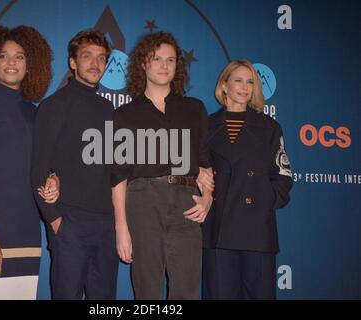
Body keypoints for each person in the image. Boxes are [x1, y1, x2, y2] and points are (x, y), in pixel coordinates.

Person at [111, 32, 213, 300]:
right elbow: (119, 175)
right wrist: (121, 226)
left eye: (170, 60)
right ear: (143, 63)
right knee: (147, 289)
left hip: (186, 201)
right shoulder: (125, 115)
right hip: (143, 200)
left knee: (188, 290)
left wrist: (208, 200)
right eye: (157, 59)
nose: (164, 65)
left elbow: (205, 163)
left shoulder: (195, 109)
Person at [0, 25, 59, 300]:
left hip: (27, 224)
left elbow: (44, 164)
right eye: (3, 56)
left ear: (31, 65)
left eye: (20, 56)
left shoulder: (34, 112)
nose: (12, 62)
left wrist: (54, 179)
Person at [31, 29, 119, 300]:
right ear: (72, 62)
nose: (95, 64)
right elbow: (38, 167)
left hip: (106, 224)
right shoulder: (53, 106)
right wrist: (54, 218)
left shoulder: (108, 109)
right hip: (70, 223)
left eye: (102, 58)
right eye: (87, 56)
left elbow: (112, 169)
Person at [201, 60, 293, 300]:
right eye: (238, 80)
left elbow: (283, 175)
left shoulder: (269, 127)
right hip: (218, 229)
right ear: (224, 85)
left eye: (250, 81)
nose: (244, 87)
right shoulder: (205, 126)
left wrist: (265, 200)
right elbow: (198, 172)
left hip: (257, 230)